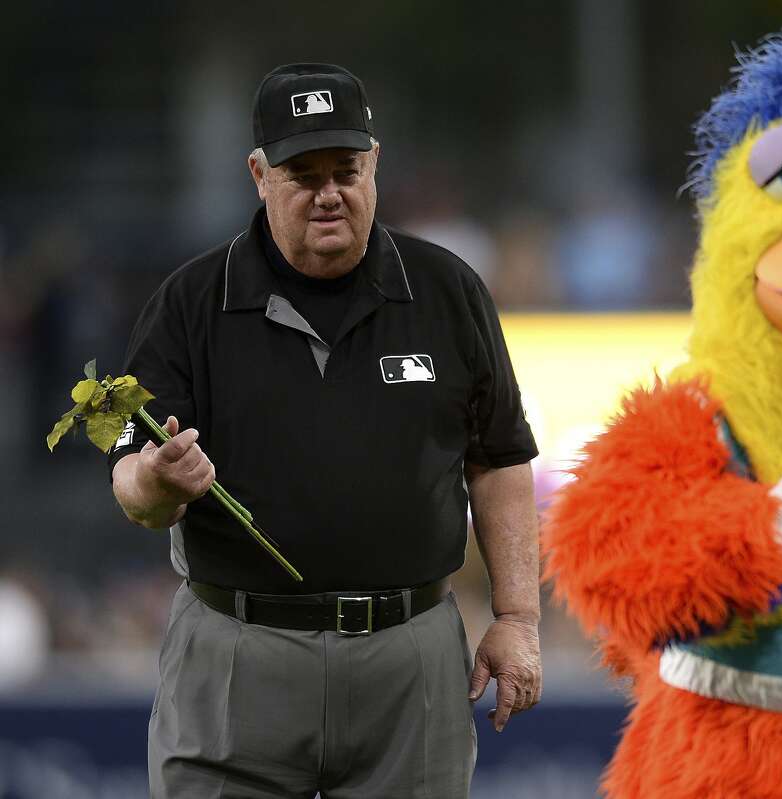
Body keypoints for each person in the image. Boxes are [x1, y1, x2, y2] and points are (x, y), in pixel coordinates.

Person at [108, 63, 541, 799]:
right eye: (303, 173)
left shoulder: (447, 289)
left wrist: (517, 616)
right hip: (239, 649)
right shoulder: (189, 300)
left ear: (374, 162)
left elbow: (499, 459)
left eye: (346, 168)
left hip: (409, 652)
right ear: (258, 173)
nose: (329, 192)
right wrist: (156, 482)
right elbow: (130, 477)